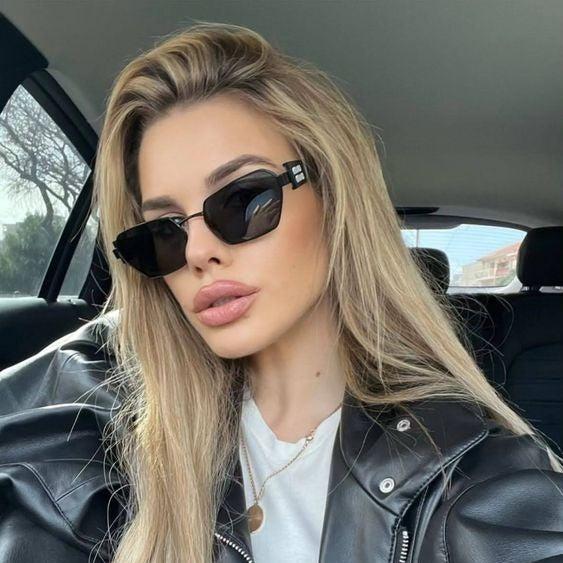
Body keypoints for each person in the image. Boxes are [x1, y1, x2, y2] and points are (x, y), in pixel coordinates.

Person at [0, 20, 562, 563]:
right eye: (163, 232)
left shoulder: (477, 477)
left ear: (333, 198)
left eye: (243, 200)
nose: (197, 253)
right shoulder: (102, 407)